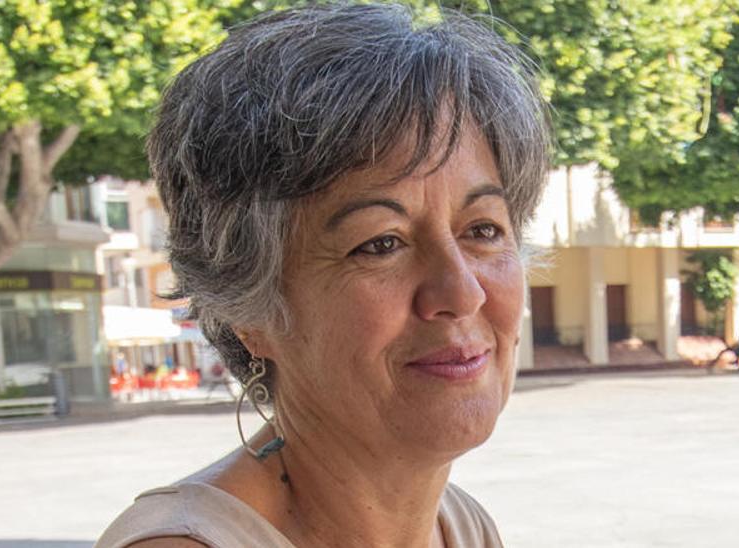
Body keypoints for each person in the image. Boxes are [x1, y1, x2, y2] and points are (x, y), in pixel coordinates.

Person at [96, 4, 549, 547]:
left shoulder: (463, 527)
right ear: (249, 309)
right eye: (381, 244)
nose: (462, 292)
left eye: (483, 230)